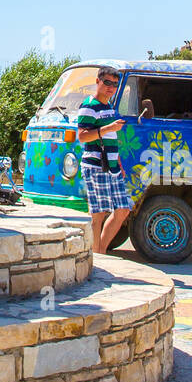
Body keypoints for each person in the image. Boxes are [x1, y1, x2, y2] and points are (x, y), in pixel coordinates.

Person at [76, 67, 134, 254]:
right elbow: (83, 137)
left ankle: (99, 252)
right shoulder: (89, 106)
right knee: (98, 214)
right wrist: (108, 128)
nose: (111, 88)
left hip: (111, 167)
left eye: (115, 84)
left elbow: (110, 139)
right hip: (95, 165)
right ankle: (97, 256)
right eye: (107, 83)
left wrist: (118, 162)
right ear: (98, 81)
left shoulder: (108, 107)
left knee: (122, 210)